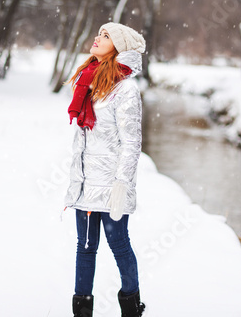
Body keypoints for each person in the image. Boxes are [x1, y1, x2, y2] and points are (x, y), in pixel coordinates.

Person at [64, 22, 146, 317]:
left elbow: (131, 143)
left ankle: (131, 308)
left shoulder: (125, 89)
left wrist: (121, 185)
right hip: (86, 184)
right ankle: (82, 312)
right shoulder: (89, 80)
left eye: (106, 35)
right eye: (99, 33)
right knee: (85, 248)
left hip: (112, 186)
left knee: (119, 244)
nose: (98, 38)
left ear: (119, 47)